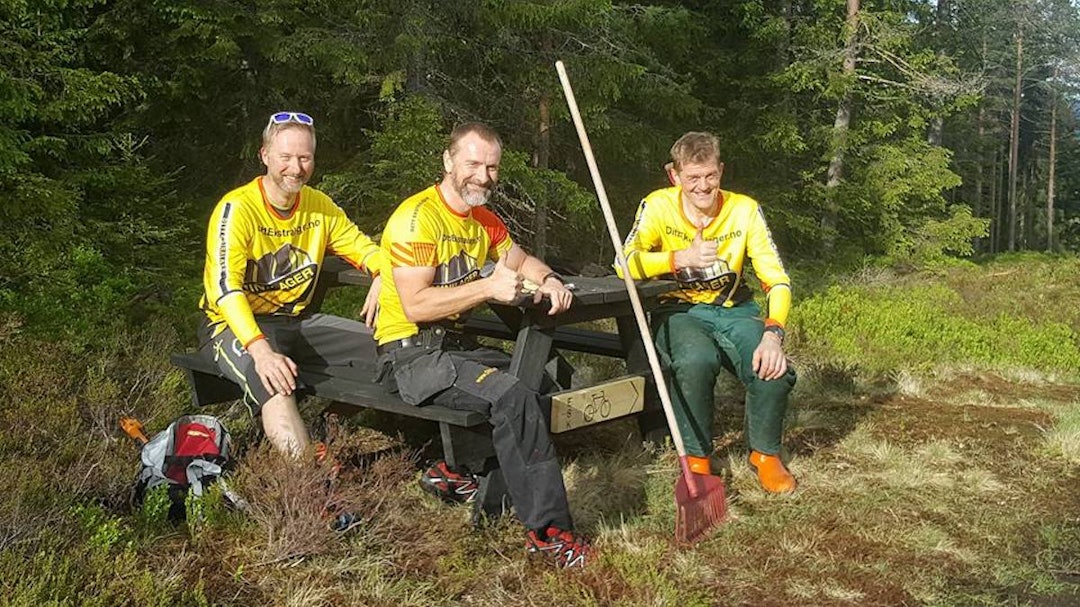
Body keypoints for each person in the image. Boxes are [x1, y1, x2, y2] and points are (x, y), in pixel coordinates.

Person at [373, 122, 589, 568]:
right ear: (448, 161)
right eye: (473, 164)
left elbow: (521, 259)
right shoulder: (418, 219)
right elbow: (414, 305)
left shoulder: (483, 222)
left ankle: (455, 473)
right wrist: (487, 289)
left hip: (452, 349)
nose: (483, 176)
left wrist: (547, 279)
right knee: (512, 396)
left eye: (491, 167)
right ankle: (549, 534)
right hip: (410, 356)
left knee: (538, 383)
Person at [620, 131, 798, 493]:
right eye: (693, 178)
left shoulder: (744, 210)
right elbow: (623, 263)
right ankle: (697, 459)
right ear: (675, 176)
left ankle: (765, 454)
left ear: (721, 171)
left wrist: (773, 332)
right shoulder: (657, 205)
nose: (703, 186)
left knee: (773, 367)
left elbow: (777, 279)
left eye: (710, 176)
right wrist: (677, 258)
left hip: (734, 308)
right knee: (696, 361)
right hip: (679, 309)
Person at [198, 111, 383, 457]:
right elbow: (226, 289)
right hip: (234, 328)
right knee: (275, 385)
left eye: (304, 158)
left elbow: (364, 247)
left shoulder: (319, 206)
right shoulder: (236, 209)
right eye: (285, 157)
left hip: (296, 320)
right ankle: (308, 493)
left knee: (387, 350)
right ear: (265, 155)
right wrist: (260, 350)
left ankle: (333, 432)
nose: (295, 168)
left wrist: (381, 272)